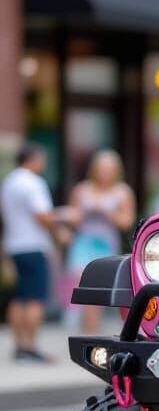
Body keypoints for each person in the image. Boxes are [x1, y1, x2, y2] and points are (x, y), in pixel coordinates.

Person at [1, 144, 77, 361]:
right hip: (33, 246)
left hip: (14, 245)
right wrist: (63, 220)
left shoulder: (9, 182)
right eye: (41, 159)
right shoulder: (33, 182)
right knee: (35, 298)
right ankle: (31, 347)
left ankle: (19, 346)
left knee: (19, 297)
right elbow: (42, 216)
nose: (43, 163)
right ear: (32, 159)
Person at [68, 150, 136, 335]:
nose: (104, 173)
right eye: (101, 169)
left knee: (97, 290)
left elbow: (127, 222)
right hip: (83, 243)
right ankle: (88, 330)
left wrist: (106, 212)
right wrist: (78, 214)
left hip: (105, 245)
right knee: (83, 288)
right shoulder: (82, 189)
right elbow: (73, 218)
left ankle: (92, 331)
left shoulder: (123, 192)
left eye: (109, 169)